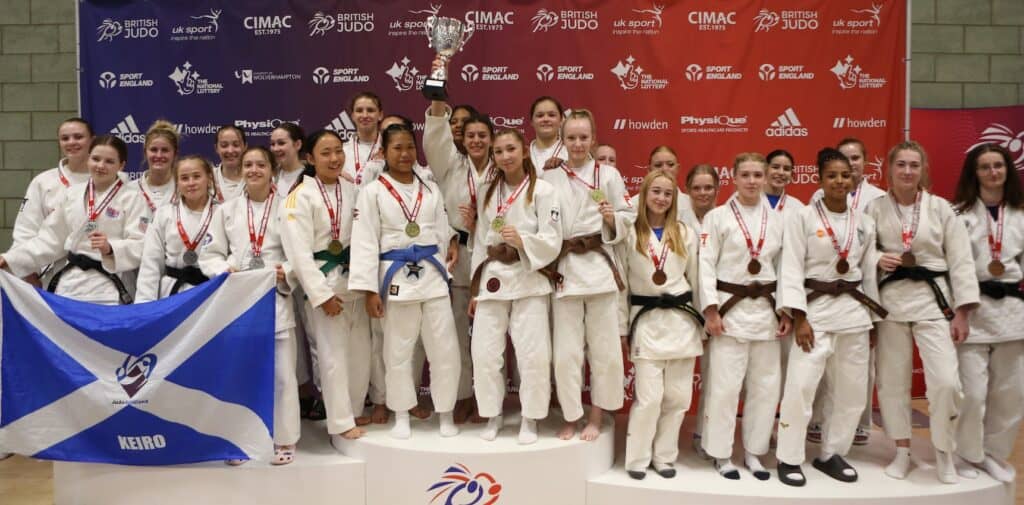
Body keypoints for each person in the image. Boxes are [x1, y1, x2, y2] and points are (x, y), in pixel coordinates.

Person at [867, 140, 978, 484]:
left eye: (914, 165)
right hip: (890, 303)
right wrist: (876, 258)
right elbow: (860, 250)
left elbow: (961, 260)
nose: (907, 171)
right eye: (901, 164)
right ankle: (902, 450)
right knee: (892, 382)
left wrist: (963, 312)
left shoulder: (941, 209)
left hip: (934, 302)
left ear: (923, 170)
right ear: (890, 169)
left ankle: (944, 450)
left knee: (946, 382)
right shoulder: (874, 208)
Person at [775, 148, 886, 486]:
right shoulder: (803, 217)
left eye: (845, 175)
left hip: (853, 313)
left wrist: (872, 320)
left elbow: (868, 274)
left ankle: (832, 453)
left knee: (851, 392)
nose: (840, 181)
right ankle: (788, 457)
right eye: (832, 175)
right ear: (820, 179)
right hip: (815, 313)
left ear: (854, 179)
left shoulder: (864, 222)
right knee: (800, 388)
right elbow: (790, 268)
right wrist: (799, 317)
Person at [349, 123, 462, 439]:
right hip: (395, 277)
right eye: (397, 148)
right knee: (397, 351)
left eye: (410, 147)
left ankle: (445, 413)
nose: (404, 154)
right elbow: (365, 241)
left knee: (445, 349)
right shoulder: (372, 192)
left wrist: (451, 242)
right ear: (383, 152)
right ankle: (401, 413)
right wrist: (370, 290)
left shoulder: (430, 188)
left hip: (433, 275)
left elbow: (441, 229)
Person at [201, 145, 300, 465]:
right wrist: (223, 270)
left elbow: (302, 253)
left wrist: (288, 271)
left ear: (273, 170)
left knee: (282, 376)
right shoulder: (226, 210)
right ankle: (239, 440)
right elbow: (210, 254)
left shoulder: (288, 207)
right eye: (248, 165)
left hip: (275, 297)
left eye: (261, 164)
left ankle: (285, 439)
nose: (254, 170)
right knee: (240, 372)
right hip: (240, 301)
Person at [699, 153, 790, 480]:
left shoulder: (778, 220)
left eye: (757, 175)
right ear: (734, 178)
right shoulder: (717, 217)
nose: (752, 181)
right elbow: (705, 264)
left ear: (764, 178)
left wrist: (786, 309)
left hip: (766, 313)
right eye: (746, 175)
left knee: (765, 388)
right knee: (724, 389)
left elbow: (785, 267)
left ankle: (754, 452)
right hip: (729, 312)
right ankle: (721, 454)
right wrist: (711, 309)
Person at [469, 128, 562, 444]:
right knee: (484, 353)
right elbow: (480, 241)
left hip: (528, 276)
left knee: (532, 354)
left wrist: (524, 241)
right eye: (498, 151)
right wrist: (475, 288)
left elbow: (553, 238)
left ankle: (529, 418)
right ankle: (492, 414)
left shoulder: (544, 190)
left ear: (524, 151)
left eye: (511, 149)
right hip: (492, 277)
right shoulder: (487, 190)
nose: (505, 156)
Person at [542, 109, 630, 442]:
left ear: (593, 139)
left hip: (599, 270)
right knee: (566, 354)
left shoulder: (609, 175)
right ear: (562, 140)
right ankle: (571, 415)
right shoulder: (550, 176)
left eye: (583, 137)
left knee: (604, 350)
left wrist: (611, 219)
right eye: (571, 138)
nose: (577, 144)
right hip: (566, 270)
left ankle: (596, 415)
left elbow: (627, 216)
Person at [280, 129, 369, 443]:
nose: (334, 158)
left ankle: (354, 409)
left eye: (338, 151)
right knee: (332, 358)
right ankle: (340, 421)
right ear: (310, 158)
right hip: (325, 284)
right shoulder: (298, 197)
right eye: (325, 153)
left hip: (355, 281)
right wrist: (321, 295)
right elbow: (298, 254)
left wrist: (368, 284)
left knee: (360, 354)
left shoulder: (353, 189)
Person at [618, 170, 702, 480]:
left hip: (682, 321)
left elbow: (697, 279)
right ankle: (637, 459)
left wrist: (703, 322)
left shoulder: (684, 233)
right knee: (649, 398)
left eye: (668, 193)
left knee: (678, 398)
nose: (661, 198)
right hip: (646, 321)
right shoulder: (629, 234)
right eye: (656, 191)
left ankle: (664, 457)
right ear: (644, 194)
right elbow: (621, 287)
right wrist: (622, 328)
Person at [0, 135, 145, 305]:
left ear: (121, 165)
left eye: (109, 161)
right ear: (88, 159)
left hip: (110, 286)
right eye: (96, 159)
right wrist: (11, 259)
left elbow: (141, 244)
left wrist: (111, 248)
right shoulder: (72, 194)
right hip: (70, 285)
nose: (100, 166)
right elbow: (50, 239)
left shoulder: (133, 198)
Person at [951, 143, 1022, 483]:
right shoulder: (958, 215)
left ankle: (993, 453)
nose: (993, 172)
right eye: (985, 167)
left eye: (998, 165)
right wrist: (959, 311)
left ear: (1008, 169)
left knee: (1011, 391)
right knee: (972, 393)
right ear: (974, 173)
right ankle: (966, 452)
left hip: (1012, 309)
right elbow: (955, 267)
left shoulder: (1020, 213)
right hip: (972, 308)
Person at [808, 137, 886, 446]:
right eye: (844, 159)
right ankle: (818, 420)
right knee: (820, 369)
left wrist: (874, 315)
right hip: (823, 294)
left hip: (857, 293)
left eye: (855, 158)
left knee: (858, 372)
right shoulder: (818, 197)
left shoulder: (877, 199)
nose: (849, 166)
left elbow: (874, 248)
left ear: (865, 161)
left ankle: (860, 424)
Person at [425, 86, 496, 423]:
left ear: (491, 139)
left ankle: (489, 399)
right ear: (461, 139)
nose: (476, 141)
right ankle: (463, 395)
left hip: (494, 258)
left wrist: (484, 224)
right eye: (470, 135)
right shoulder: (450, 165)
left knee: (490, 335)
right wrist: (437, 94)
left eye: (482, 135)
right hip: (457, 255)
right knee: (454, 332)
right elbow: (435, 140)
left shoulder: (502, 169)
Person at [12, 117, 95, 287]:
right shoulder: (43, 182)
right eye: (65, 138)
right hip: (54, 275)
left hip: (100, 275)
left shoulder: (109, 180)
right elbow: (26, 230)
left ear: (92, 140)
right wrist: (29, 272)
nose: (71, 142)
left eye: (78, 137)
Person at [135, 156, 217, 302]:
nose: (191, 183)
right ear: (177, 182)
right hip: (172, 294)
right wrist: (144, 304)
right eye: (184, 178)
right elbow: (151, 262)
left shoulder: (223, 213)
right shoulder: (164, 214)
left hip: (211, 292)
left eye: (197, 176)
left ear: (209, 179)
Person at [683, 163, 720, 459]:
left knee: (714, 376)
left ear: (717, 189)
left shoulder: (725, 219)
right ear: (687, 190)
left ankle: (704, 433)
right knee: (676, 380)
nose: (703, 193)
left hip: (715, 309)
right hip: (682, 308)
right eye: (697, 187)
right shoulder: (677, 220)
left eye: (708, 187)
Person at [629, 146, 694, 224]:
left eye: (670, 164)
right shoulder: (634, 204)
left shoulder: (691, 204)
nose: (664, 169)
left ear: (677, 169)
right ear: (649, 170)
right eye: (658, 165)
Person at [136, 120, 179, 217]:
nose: (159, 155)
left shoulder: (184, 190)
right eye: (153, 150)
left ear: (175, 154)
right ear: (145, 152)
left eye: (165, 150)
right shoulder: (130, 189)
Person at [343, 92, 385, 188]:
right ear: (353, 116)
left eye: (370, 110)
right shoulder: (341, 151)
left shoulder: (390, 149)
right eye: (359, 110)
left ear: (380, 115)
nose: (365, 115)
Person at [529, 96, 569, 170]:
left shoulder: (571, 151)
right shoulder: (523, 155)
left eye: (551, 115)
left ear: (561, 120)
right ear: (531, 121)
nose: (546, 119)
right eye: (540, 116)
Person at [764, 149, 805, 218]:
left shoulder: (798, 207)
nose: (781, 172)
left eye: (786, 169)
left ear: (792, 174)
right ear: (765, 169)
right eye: (775, 167)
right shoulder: (749, 201)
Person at [212, 125, 248, 202]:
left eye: (236, 145)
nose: (230, 150)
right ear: (216, 148)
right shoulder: (209, 178)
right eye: (224, 145)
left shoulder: (254, 177)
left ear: (245, 146)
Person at [271, 122, 307, 196]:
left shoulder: (311, 176)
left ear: (298, 145)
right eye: (272, 144)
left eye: (281, 143)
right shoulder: (269, 175)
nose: (275, 149)